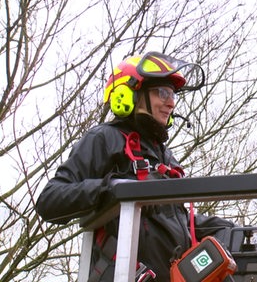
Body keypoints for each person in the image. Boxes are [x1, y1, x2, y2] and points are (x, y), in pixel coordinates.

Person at [36, 51, 235, 281]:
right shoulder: (104, 139)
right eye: (163, 93)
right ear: (129, 94)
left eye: (172, 95)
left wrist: (223, 230)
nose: (171, 102)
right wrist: (116, 188)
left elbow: (173, 222)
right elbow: (49, 200)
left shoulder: (165, 156)